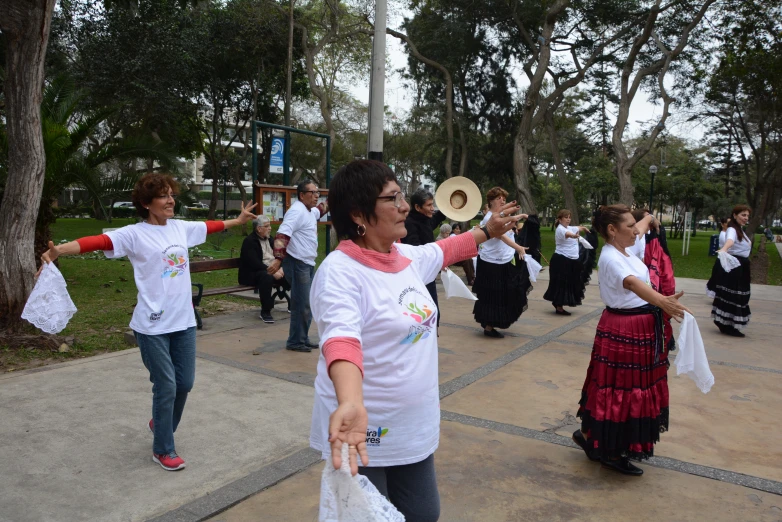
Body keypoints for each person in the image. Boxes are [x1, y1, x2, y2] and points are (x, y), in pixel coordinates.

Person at [309, 160, 521, 521]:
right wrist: (350, 402)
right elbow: (342, 342)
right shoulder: (339, 273)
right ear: (359, 213)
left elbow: (451, 248)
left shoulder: (405, 256)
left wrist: (490, 228)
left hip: (414, 426)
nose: (405, 206)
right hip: (365, 429)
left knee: (423, 513)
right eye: (393, 199)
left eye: (402, 196)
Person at [40, 173, 257, 471]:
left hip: (183, 322)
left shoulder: (180, 228)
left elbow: (211, 225)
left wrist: (238, 221)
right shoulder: (134, 234)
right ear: (146, 203)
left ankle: (160, 423)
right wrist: (59, 251)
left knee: (185, 383)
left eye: (172, 194)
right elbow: (98, 241)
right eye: (163, 196)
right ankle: (163, 448)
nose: (171, 200)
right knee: (166, 385)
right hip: (152, 325)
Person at [572, 205, 689, 476]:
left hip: (637, 328)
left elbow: (643, 225)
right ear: (612, 230)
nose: (636, 231)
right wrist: (664, 302)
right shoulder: (612, 258)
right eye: (629, 226)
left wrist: (649, 217)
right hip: (625, 330)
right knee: (621, 388)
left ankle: (590, 437)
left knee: (617, 385)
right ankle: (611, 453)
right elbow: (635, 284)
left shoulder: (628, 247)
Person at [266, 180, 328, 352]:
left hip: (307, 262)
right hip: (297, 262)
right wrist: (278, 259)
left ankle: (302, 337)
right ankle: (295, 341)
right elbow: (282, 234)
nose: (316, 196)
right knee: (301, 303)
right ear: (302, 195)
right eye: (312, 193)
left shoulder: (308, 211)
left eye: (318, 193)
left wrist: (339, 193)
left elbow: (321, 209)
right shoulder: (296, 211)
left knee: (308, 302)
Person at [472, 187, 531, 338]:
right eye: (499, 198)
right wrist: (518, 248)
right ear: (491, 201)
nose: (502, 200)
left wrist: (519, 216)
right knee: (493, 295)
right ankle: (489, 326)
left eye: (504, 198)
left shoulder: (499, 215)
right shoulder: (488, 218)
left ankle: (491, 324)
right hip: (491, 264)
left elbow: (508, 223)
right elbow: (500, 235)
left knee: (505, 292)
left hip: (502, 261)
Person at [401, 188, 448, 326]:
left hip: (429, 273)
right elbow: (415, 250)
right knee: (422, 315)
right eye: (429, 205)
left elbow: (438, 217)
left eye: (432, 204)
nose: (432, 209)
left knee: (434, 314)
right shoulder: (409, 223)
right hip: (417, 276)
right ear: (417, 207)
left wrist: (454, 204)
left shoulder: (426, 219)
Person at [711, 205, 753, 337]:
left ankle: (727, 323)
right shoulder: (732, 229)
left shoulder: (740, 230)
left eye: (747, 216)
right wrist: (724, 249)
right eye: (743, 215)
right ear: (735, 215)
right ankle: (725, 324)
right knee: (733, 295)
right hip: (736, 267)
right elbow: (730, 241)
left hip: (741, 267)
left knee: (739, 295)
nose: (745, 218)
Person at [238, 216, 287, 324]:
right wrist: (273, 271)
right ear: (259, 229)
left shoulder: (270, 239)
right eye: (267, 226)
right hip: (252, 274)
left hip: (271, 270)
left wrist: (282, 268)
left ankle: (295, 304)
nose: (270, 228)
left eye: (269, 225)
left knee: (292, 271)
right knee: (266, 277)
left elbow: (279, 255)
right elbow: (254, 263)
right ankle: (265, 311)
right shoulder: (249, 241)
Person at [543, 209, 590, 315]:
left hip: (571, 260)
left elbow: (577, 228)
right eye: (566, 217)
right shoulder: (560, 229)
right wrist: (574, 236)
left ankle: (558, 303)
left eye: (569, 217)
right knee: (562, 283)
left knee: (571, 282)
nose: (568, 219)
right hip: (561, 260)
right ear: (560, 219)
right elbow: (568, 234)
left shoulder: (569, 227)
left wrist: (585, 228)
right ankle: (558, 306)